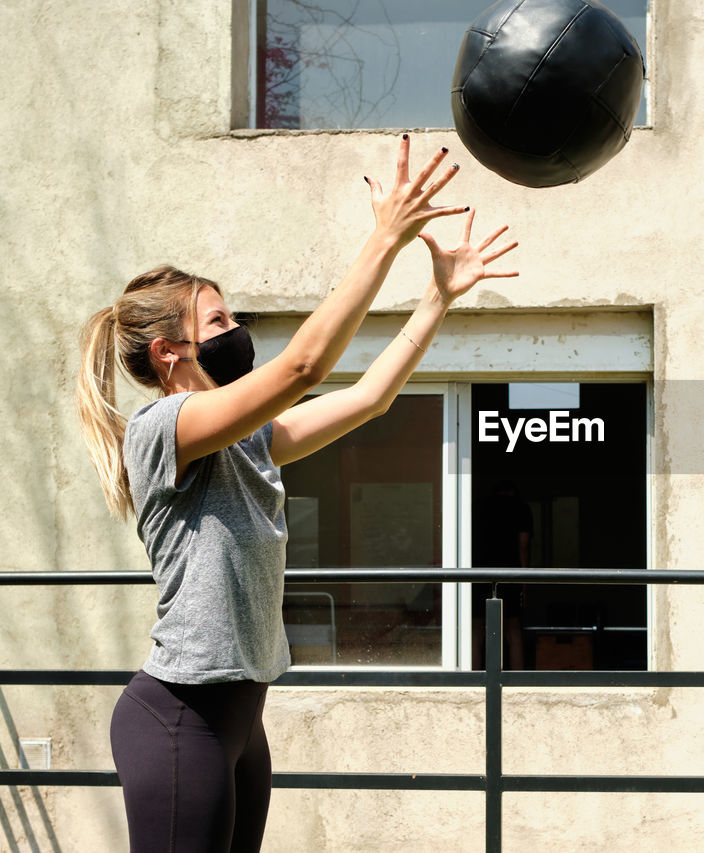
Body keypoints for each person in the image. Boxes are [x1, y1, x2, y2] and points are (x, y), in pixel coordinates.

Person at [76, 136, 518, 853]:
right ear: (169, 352)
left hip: (243, 719)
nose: (238, 331)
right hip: (180, 717)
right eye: (218, 321)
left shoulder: (248, 437)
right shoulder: (165, 427)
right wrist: (384, 238)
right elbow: (304, 364)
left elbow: (371, 398)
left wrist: (436, 296)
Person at [471, 479, 534, 669]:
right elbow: (523, 545)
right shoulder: (521, 509)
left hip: (478, 573)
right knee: (513, 629)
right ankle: (517, 681)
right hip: (510, 573)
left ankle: (472, 678)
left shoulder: (477, 508)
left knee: (476, 629)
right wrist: (524, 579)